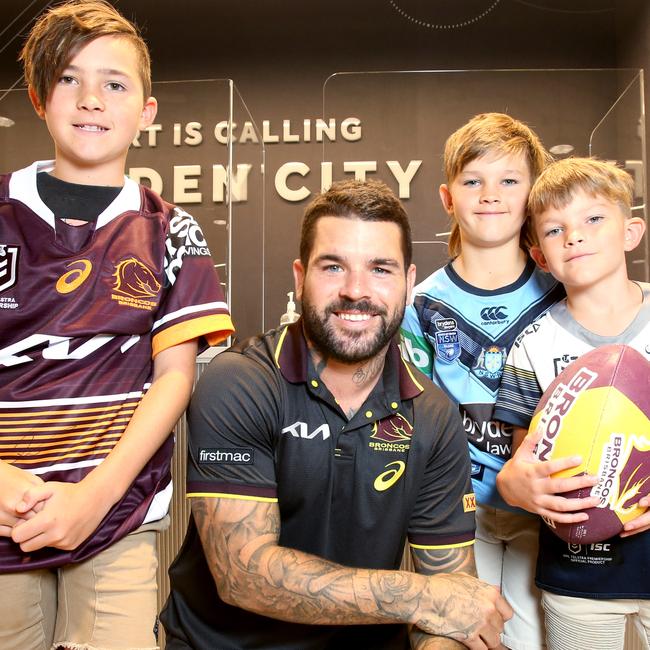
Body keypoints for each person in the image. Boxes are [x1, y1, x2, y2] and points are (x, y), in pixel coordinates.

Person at [161, 179, 512, 650]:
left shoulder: (432, 415)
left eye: (380, 269)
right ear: (299, 276)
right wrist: (422, 596)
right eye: (333, 267)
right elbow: (242, 574)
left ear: (408, 283)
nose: (355, 291)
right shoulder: (240, 382)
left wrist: (438, 624)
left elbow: (452, 608)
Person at [0, 2, 234, 649]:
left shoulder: (172, 233)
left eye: (114, 83)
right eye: (70, 78)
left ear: (146, 111)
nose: (91, 99)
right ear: (40, 97)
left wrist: (95, 497)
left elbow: (173, 380)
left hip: (115, 516)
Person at [400, 113, 564, 649]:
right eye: (473, 181)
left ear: (533, 195)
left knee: (538, 639)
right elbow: (413, 420)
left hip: (545, 512)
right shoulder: (421, 306)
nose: (490, 195)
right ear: (448, 198)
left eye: (509, 181)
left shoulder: (562, 294)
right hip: (454, 511)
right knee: (460, 638)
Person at [494, 157, 650, 650]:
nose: (574, 237)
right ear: (541, 257)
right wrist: (518, 486)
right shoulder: (532, 343)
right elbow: (523, 461)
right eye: (556, 229)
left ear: (632, 231)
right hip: (580, 577)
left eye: (593, 219)